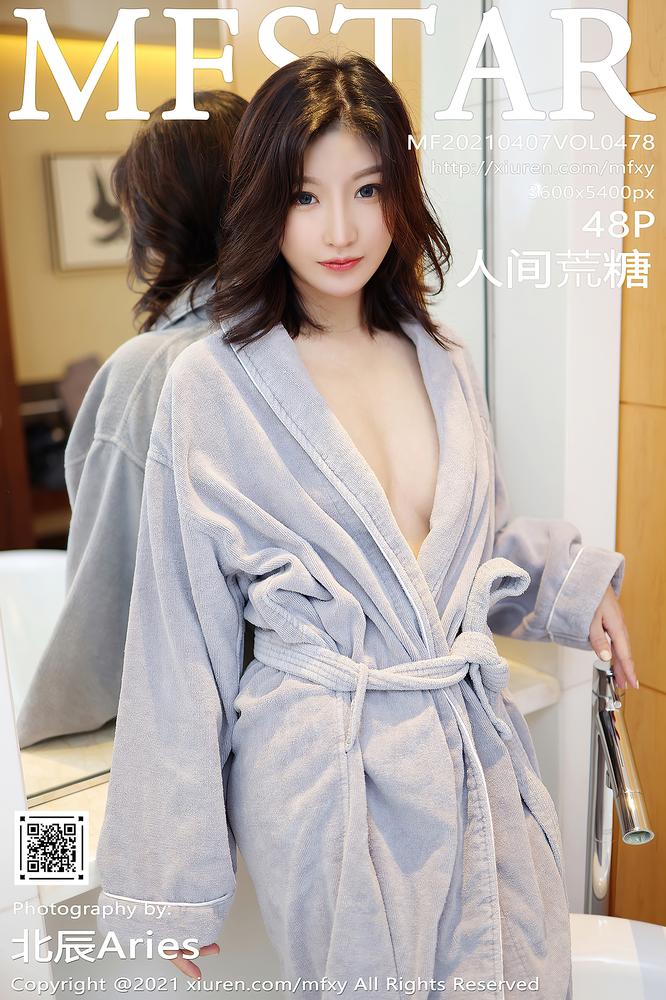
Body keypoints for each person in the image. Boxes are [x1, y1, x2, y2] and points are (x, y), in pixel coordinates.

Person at [95, 55, 636, 999]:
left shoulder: (440, 355)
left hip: (471, 747)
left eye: (368, 189)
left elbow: (466, 549)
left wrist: (568, 587)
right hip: (329, 773)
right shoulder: (212, 384)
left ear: (401, 197)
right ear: (265, 202)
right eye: (305, 196)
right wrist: (171, 883)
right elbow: (179, 642)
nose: (340, 230)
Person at [17, 89, 248, 748]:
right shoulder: (319, 339)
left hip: (200, 734)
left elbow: (106, 620)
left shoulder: (152, 374)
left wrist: (34, 743)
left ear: (155, 223)